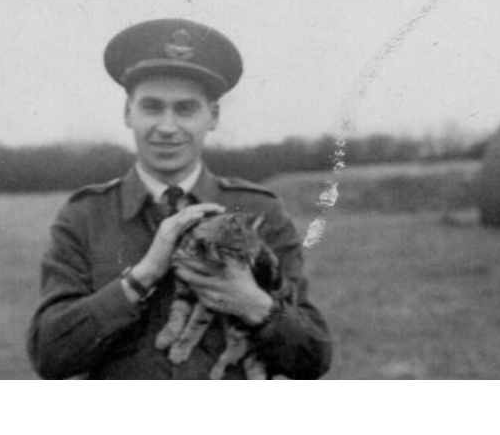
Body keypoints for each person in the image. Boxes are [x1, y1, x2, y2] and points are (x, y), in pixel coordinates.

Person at [26, 19, 333, 379]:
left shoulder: (260, 212)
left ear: (213, 116)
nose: (168, 127)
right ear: (129, 113)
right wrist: (142, 277)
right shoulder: (85, 216)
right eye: (152, 107)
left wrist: (253, 304)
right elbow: (50, 356)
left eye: (186, 109)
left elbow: (313, 358)